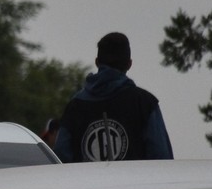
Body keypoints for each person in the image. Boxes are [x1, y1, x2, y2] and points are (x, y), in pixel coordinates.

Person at [52, 32, 174, 162]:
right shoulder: (145, 103)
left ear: (97, 62)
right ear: (129, 64)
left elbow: (61, 155)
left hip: (87, 177)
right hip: (135, 177)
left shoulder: (75, 106)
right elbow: (161, 157)